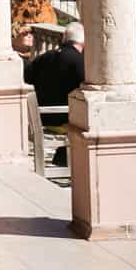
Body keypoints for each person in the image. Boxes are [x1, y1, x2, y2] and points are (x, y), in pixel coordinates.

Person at [23, 23, 84, 166]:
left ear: (64, 38)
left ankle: (62, 159)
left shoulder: (45, 57)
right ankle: (68, 161)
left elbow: (27, 77)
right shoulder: (80, 62)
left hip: (41, 118)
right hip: (62, 120)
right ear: (84, 41)